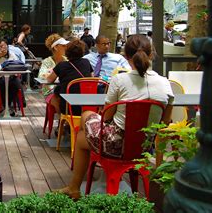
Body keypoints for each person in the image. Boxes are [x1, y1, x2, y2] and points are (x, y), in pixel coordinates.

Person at [55, 34, 174, 199]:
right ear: (151, 54)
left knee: (85, 121)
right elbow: (165, 122)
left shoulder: (119, 80)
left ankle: (74, 187)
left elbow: (106, 116)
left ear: (126, 56)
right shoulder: (165, 83)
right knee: (86, 122)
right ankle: (76, 186)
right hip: (145, 147)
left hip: (116, 145)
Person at [47, 39, 93, 116]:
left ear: (67, 51)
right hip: (86, 102)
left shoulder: (62, 65)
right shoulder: (86, 62)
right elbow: (92, 78)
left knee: (54, 96)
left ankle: (62, 119)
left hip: (68, 106)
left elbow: (49, 80)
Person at [0, 39, 21, 116]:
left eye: (5, 46)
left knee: (16, 84)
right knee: (3, 84)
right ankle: (7, 107)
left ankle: (6, 106)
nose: (3, 48)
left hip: (12, 77)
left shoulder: (11, 55)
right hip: (0, 78)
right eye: (1, 46)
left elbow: (18, 65)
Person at [38, 34, 68, 98]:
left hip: (64, 89)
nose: (66, 47)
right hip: (49, 89)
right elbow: (41, 76)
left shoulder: (67, 60)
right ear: (55, 47)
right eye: (63, 45)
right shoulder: (47, 61)